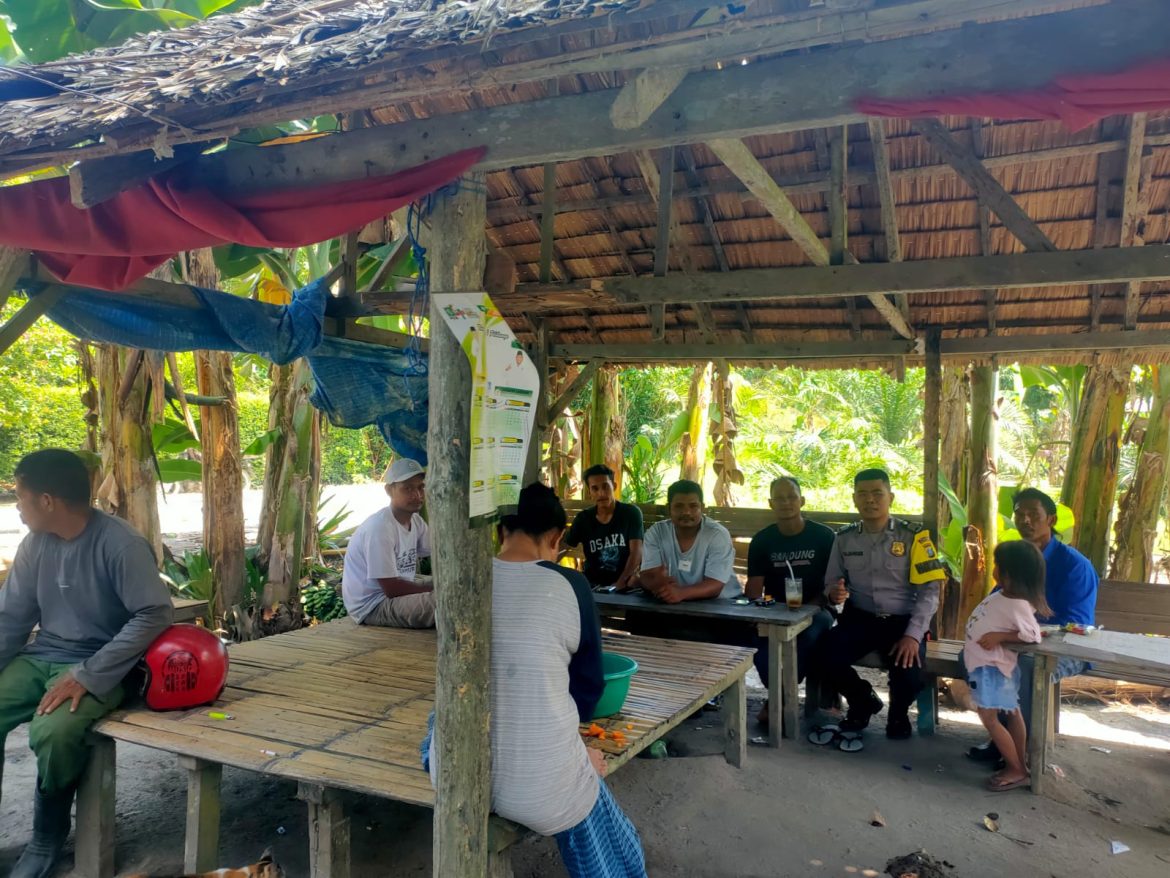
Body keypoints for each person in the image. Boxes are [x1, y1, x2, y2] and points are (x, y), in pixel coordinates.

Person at [422, 483, 646, 878]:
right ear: (557, 537)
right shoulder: (570, 586)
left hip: (452, 773)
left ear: (500, 530)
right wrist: (578, 755)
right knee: (594, 809)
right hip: (540, 790)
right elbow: (588, 687)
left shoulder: (458, 582)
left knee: (433, 722)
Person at [0, 449, 173, 878]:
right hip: (44, 655)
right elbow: (13, 617)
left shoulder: (120, 544)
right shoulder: (34, 544)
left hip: (104, 663)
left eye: (20, 497)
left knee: (55, 731)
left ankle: (46, 837)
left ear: (47, 501)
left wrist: (88, 673)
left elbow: (155, 612)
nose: (17, 507)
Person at [968, 487, 1098, 765]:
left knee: (1024, 668)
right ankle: (1001, 740)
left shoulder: (1075, 565)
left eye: (1033, 515)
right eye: (1019, 514)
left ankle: (1025, 756)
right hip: (1017, 642)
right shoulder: (1017, 557)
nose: (1025, 520)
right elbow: (998, 599)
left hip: (1067, 648)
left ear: (1050, 519)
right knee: (972, 656)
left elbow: (1076, 626)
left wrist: (1022, 636)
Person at [816, 468, 946, 740]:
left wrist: (913, 635)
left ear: (891, 497)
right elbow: (831, 581)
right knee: (823, 654)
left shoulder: (914, 537)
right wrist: (833, 594)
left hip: (903, 622)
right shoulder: (844, 538)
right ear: (854, 499)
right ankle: (863, 701)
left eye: (877, 493)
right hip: (860, 619)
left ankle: (897, 716)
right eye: (863, 494)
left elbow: (930, 591)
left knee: (909, 673)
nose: (870, 500)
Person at [745, 476, 836, 722]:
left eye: (791, 497)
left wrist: (809, 609)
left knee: (805, 636)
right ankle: (781, 696)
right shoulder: (763, 540)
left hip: (817, 609)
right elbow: (754, 588)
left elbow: (833, 585)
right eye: (780, 498)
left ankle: (778, 700)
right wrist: (756, 613)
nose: (786, 503)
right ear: (770, 504)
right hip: (775, 609)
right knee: (755, 639)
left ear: (802, 501)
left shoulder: (823, 537)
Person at [963, 540, 1050, 792]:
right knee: (1012, 713)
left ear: (1009, 575)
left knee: (989, 718)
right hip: (990, 667)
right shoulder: (1005, 596)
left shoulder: (1017, 604)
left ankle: (1017, 769)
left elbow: (1033, 635)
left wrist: (1000, 637)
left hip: (992, 669)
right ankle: (1019, 764)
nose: (994, 569)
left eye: (998, 565)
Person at [341, 458, 434, 629]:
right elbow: (392, 589)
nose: (417, 495)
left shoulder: (416, 521)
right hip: (373, 605)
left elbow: (436, 553)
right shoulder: (380, 528)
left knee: (450, 586)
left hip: (394, 593)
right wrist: (436, 590)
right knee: (445, 600)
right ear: (389, 490)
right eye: (408, 488)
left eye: (421, 487)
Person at [639, 479, 738, 603]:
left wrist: (681, 593)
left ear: (702, 508)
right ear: (668, 508)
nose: (686, 512)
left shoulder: (717, 534)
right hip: (672, 601)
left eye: (693, 506)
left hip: (721, 604)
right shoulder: (657, 532)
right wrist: (657, 583)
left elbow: (715, 585)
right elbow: (648, 575)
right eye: (679, 506)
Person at [563, 464, 644, 589]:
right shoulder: (583, 519)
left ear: (614, 486)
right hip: (592, 583)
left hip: (625, 582)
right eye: (595, 488)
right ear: (589, 492)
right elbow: (564, 546)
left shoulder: (631, 514)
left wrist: (619, 584)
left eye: (606, 486)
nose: (601, 493)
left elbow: (636, 553)